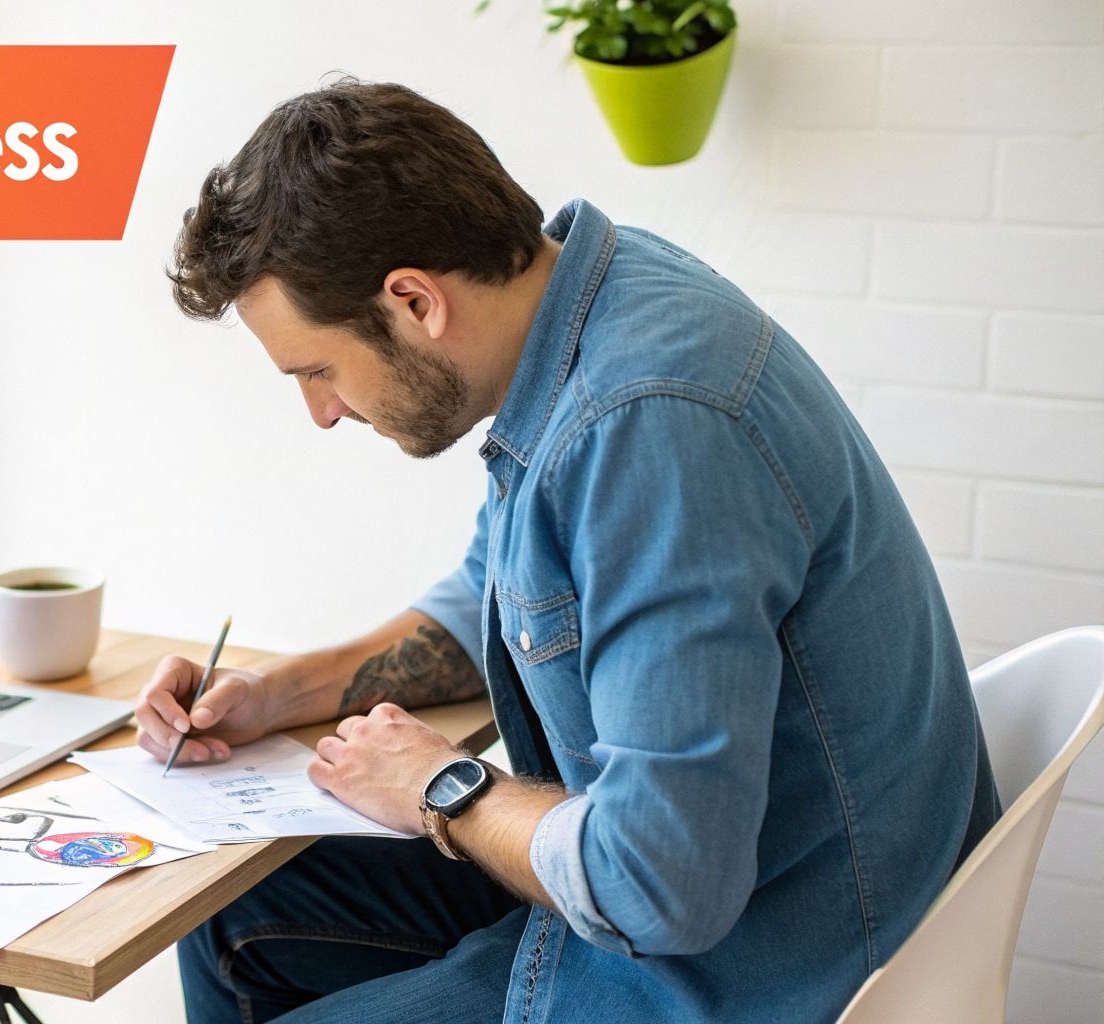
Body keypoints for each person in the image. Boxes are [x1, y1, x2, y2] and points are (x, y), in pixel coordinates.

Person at [135, 79, 1001, 1023]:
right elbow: (497, 600)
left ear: (414, 300)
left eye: (318, 368)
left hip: (763, 964)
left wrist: (441, 784)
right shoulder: (598, 301)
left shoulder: (645, 427)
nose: (323, 412)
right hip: (731, 891)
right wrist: (279, 693)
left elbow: (663, 885)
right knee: (229, 912)